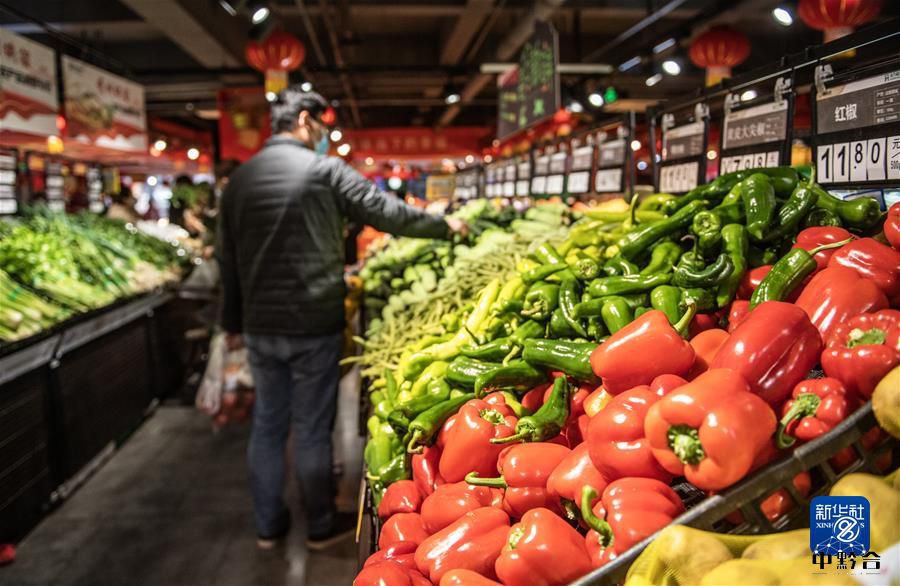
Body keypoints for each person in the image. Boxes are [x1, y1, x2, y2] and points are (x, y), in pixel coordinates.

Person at [216, 87, 467, 552]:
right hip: (314, 321)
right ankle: (319, 524)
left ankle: (268, 527)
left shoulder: (242, 180)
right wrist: (443, 226)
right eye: (323, 126)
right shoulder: (323, 169)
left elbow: (226, 260)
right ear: (307, 120)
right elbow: (386, 212)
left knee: (269, 424)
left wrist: (232, 321)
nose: (325, 135)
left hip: (260, 325)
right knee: (312, 426)